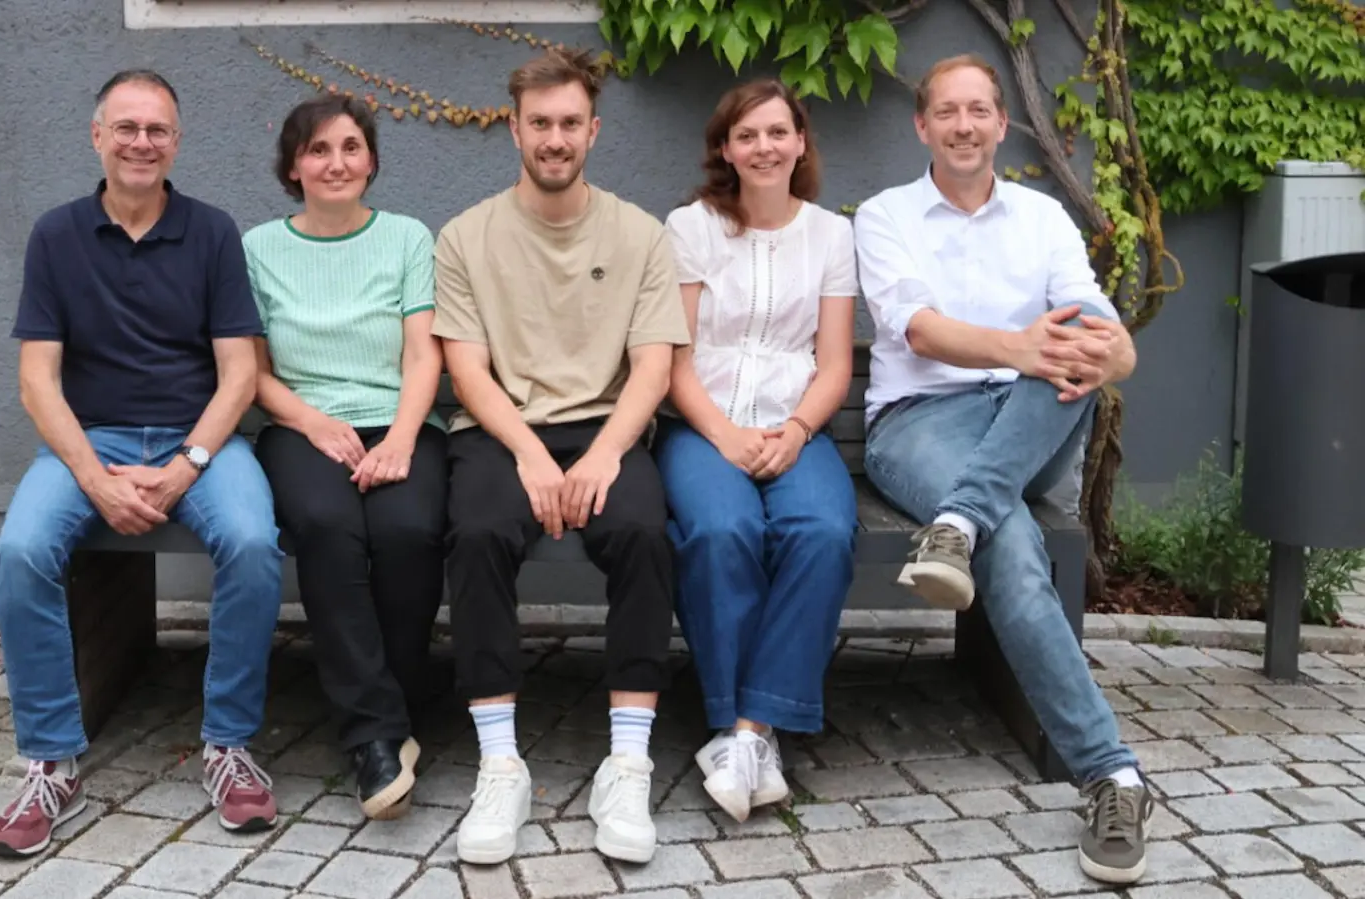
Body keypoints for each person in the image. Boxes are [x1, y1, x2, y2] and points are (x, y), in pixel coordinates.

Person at [852, 53, 1150, 885]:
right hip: (919, 423)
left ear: (1001, 122)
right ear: (923, 125)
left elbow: (1098, 330)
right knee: (1012, 541)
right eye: (947, 112)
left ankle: (956, 521)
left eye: (979, 110)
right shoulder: (884, 215)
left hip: (1028, 417)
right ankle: (1113, 774)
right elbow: (917, 328)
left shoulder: (1043, 218)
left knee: (1076, 344)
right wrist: (1024, 349)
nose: (964, 126)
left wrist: (1114, 352)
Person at [0, 69, 283, 858]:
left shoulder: (212, 231)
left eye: (157, 130)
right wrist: (94, 478)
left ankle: (228, 744)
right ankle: (51, 761)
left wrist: (186, 464)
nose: (141, 142)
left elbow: (239, 376)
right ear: (97, 137)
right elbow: (37, 381)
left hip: (201, 439)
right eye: (126, 127)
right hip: (93, 441)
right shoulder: (56, 235)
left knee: (253, 544)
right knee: (19, 551)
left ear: (176, 142)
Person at [432, 46, 691, 865]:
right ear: (514, 130)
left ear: (594, 131)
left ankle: (628, 762)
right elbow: (466, 370)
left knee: (643, 534)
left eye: (569, 123)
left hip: (605, 428)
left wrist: (609, 452)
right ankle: (500, 764)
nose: (554, 138)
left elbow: (653, 367)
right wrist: (528, 454)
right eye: (539, 123)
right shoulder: (466, 236)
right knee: (477, 533)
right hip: (501, 430)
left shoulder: (640, 233)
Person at [657, 78, 859, 823]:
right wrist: (724, 433)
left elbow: (834, 362)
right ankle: (740, 721)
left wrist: (798, 430)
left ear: (801, 142)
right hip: (701, 426)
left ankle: (748, 732)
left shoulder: (831, 235)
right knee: (721, 530)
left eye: (778, 132)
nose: (764, 147)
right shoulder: (690, 227)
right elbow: (674, 357)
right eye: (747, 135)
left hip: (794, 425)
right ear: (726, 149)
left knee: (822, 531)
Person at [242, 93, 445, 820]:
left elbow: (423, 354)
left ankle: (394, 702)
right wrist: (312, 421)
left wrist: (402, 439)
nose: (336, 163)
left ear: (372, 160)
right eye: (318, 149)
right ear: (293, 166)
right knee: (329, 526)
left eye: (351, 147)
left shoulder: (408, 238)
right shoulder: (258, 249)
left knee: (408, 529)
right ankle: (376, 734)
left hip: (400, 421)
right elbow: (252, 371)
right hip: (301, 428)